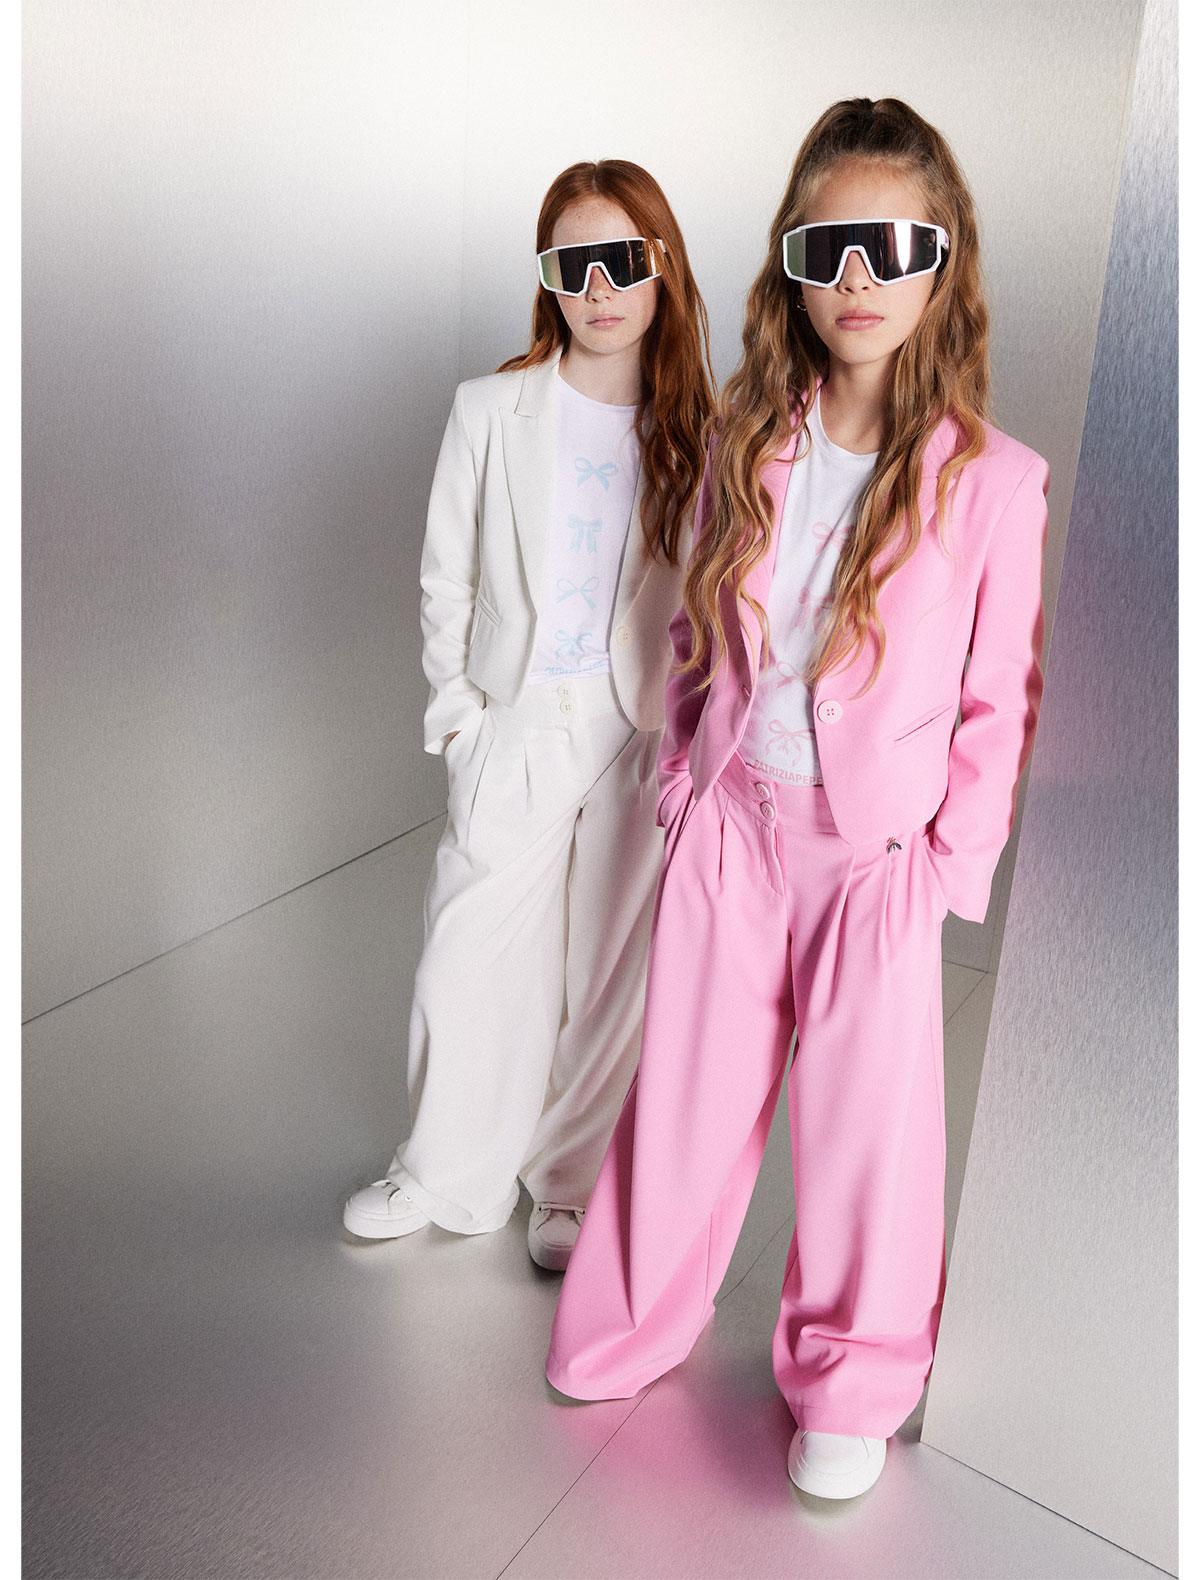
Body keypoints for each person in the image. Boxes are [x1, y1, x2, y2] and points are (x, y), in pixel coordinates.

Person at [545, 99, 1049, 1499]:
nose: (859, 278)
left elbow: (1001, 699)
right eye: (829, 248)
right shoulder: (745, 438)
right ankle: (633, 1316)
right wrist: (681, 781)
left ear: (944, 262)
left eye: (894, 245)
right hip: (734, 822)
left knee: (866, 1132)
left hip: (873, 853)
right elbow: (694, 628)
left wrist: (945, 868)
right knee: (684, 1096)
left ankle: (854, 1373)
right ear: (792, 263)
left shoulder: (995, 484)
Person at [343, 161, 714, 1272]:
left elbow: (713, 597)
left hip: (636, 729)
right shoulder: (489, 410)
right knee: (466, 954)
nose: (599, 288)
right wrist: (460, 723)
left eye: (622, 261)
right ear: (548, 279)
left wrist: (688, 737)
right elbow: (444, 579)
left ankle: (567, 1184)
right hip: (517, 718)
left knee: (607, 973)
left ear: (661, 267)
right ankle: (442, 1168)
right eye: (573, 265)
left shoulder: (703, 428)